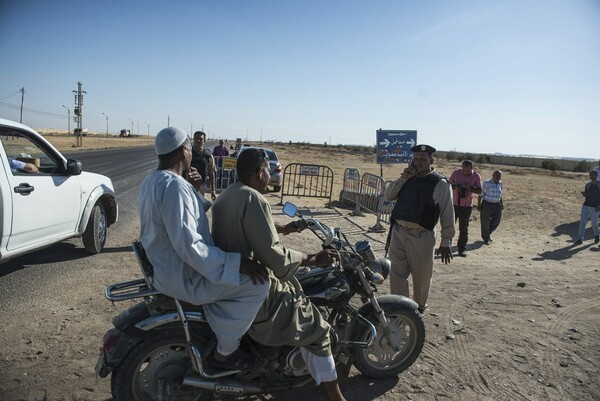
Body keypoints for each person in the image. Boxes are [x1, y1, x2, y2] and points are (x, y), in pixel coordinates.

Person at [211, 148, 347, 401]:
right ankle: (336, 397)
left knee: (296, 286)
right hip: (252, 284)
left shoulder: (228, 194)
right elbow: (272, 255)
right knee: (318, 330)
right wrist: (312, 259)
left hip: (229, 277)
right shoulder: (253, 198)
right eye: (267, 170)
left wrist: (284, 229)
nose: (269, 175)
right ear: (258, 172)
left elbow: (250, 229)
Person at [137, 127, 270, 371]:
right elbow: (191, 247)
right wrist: (237, 263)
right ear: (184, 151)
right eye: (189, 146)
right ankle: (226, 350)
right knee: (259, 284)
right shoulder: (174, 187)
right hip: (186, 277)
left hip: (168, 270)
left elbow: (181, 222)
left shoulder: (152, 181)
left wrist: (194, 189)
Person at [384, 144, 454, 313]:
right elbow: (389, 195)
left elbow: (447, 213)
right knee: (396, 275)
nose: (418, 162)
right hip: (399, 232)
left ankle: (419, 309)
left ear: (431, 160)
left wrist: (446, 242)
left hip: (422, 236)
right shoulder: (408, 177)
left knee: (421, 277)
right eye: (416, 159)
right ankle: (400, 308)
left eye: (423, 159)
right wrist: (403, 178)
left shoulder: (440, 183)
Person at [449, 160, 482, 257]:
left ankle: (461, 249)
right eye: (463, 170)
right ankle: (446, 246)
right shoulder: (456, 173)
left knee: (463, 229)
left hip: (466, 206)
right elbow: (447, 184)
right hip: (454, 204)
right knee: (450, 226)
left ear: (472, 169)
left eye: (467, 171)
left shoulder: (476, 176)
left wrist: (469, 188)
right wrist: (455, 187)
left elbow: (480, 190)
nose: (465, 173)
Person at [477, 170, 503, 245]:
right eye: (496, 175)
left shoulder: (500, 183)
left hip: (497, 205)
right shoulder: (486, 183)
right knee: (485, 222)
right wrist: (479, 205)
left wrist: (501, 204)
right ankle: (486, 238)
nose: (498, 177)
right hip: (487, 204)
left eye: (499, 176)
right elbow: (480, 195)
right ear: (493, 175)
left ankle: (487, 233)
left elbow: (500, 195)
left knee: (496, 221)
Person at [574, 170, 600, 245]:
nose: (592, 176)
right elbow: (587, 195)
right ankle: (580, 239)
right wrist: (584, 194)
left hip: (595, 207)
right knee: (582, 222)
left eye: (593, 175)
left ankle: (596, 235)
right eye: (590, 175)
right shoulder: (588, 185)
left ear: (596, 175)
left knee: (594, 224)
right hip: (586, 205)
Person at [190, 131, 216, 200]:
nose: (198, 140)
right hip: (187, 185)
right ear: (193, 139)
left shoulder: (208, 156)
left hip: (201, 186)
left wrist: (213, 191)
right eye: (196, 138)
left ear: (204, 141)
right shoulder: (187, 153)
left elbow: (211, 172)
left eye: (201, 139)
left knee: (199, 208)